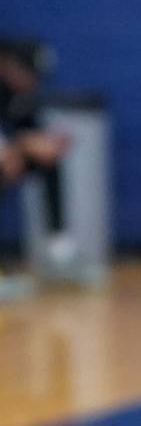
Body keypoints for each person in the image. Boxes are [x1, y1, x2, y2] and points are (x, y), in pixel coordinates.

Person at [0, 38, 74, 270]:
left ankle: (59, 243)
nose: (34, 82)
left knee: (48, 162)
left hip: (10, 156)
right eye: (30, 74)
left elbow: (31, 133)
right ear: (10, 65)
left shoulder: (22, 95)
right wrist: (17, 146)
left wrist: (47, 144)